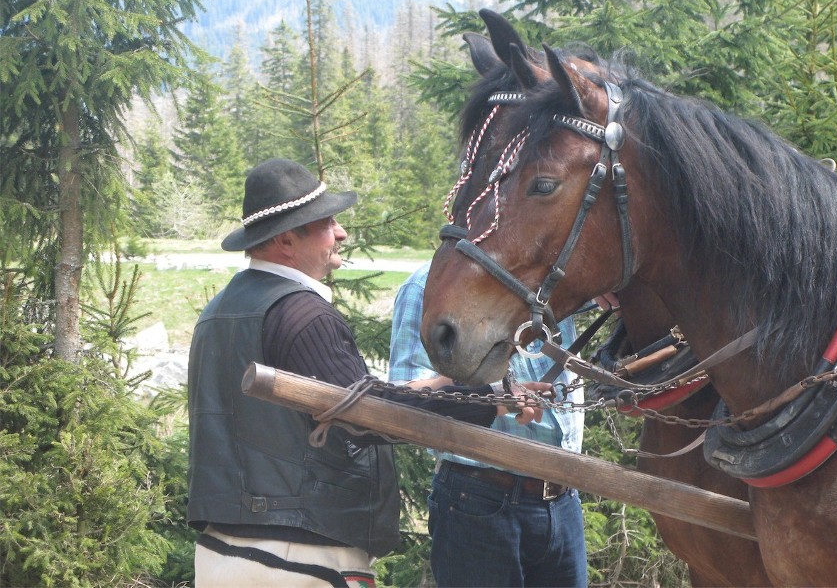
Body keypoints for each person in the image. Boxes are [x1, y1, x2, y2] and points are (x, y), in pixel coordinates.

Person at [186, 158, 549, 588]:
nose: (340, 232)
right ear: (285, 240)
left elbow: (313, 411)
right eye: (326, 223)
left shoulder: (219, 311)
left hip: (222, 555)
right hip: (300, 557)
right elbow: (367, 417)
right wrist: (495, 399)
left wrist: (435, 386)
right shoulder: (302, 313)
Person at [389, 261, 588, 587]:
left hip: (564, 500)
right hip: (479, 502)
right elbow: (404, 402)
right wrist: (485, 384)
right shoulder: (424, 287)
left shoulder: (551, 282)